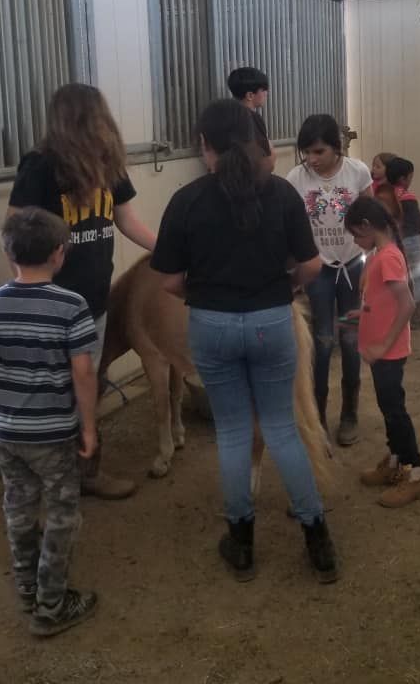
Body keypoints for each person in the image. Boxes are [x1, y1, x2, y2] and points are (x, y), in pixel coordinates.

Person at [151, 99, 337, 584]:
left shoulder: (186, 200)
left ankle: (242, 542)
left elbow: (169, 280)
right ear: (255, 142)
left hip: (212, 326)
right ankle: (318, 539)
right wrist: (284, 286)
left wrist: (206, 294)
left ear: (203, 146)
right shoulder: (279, 193)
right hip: (272, 321)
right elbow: (312, 266)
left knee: (233, 433)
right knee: (281, 428)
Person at [7, 83, 156, 499]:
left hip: (92, 300)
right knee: (53, 392)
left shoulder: (108, 166)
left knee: (88, 387)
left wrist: (169, 248)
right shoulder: (39, 167)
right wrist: (29, 290)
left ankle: (86, 471)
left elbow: (126, 221)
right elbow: (15, 230)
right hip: (50, 303)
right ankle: (51, 476)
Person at [0, 208, 99, 637]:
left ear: (9, 254)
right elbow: (83, 373)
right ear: (60, 254)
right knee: (62, 512)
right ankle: (51, 604)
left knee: (18, 507)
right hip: (54, 435)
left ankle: (27, 587)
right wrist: (90, 428)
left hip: (7, 434)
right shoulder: (72, 306)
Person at [286, 115, 373, 446]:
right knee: (322, 342)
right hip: (318, 269)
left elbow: (372, 217)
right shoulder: (296, 178)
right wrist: (293, 269)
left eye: (319, 151)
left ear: (336, 148)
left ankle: (349, 413)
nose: (312, 159)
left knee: (350, 340)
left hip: (352, 265)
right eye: (307, 152)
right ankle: (318, 416)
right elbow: (290, 225)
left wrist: (374, 261)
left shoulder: (358, 172)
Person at [343, 196, 420, 508]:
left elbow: (407, 305)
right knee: (388, 407)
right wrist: (362, 313)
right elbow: (383, 301)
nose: (355, 240)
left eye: (355, 234)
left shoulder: (389, 257)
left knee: (395, 411)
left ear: (367, 226)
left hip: (388, 353)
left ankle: (416, 473)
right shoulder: (378, 255)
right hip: (380, 352)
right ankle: (395, 461)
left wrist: (383, 344)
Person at [384, 156, 420, 329]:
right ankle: (416, 318)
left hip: (392, 244)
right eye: (410, 177)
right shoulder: (408, 196)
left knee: (399, 279)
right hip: (411, 242)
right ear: (403, 179)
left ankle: (396, 314)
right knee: (418, 278)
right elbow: (417, 222)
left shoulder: (385, 195)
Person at [227, 65, 274, 166]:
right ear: (250, 95)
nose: (267, 93)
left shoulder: (224, 116)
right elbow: (267, 161)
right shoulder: (252, 118)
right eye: (264, 89)